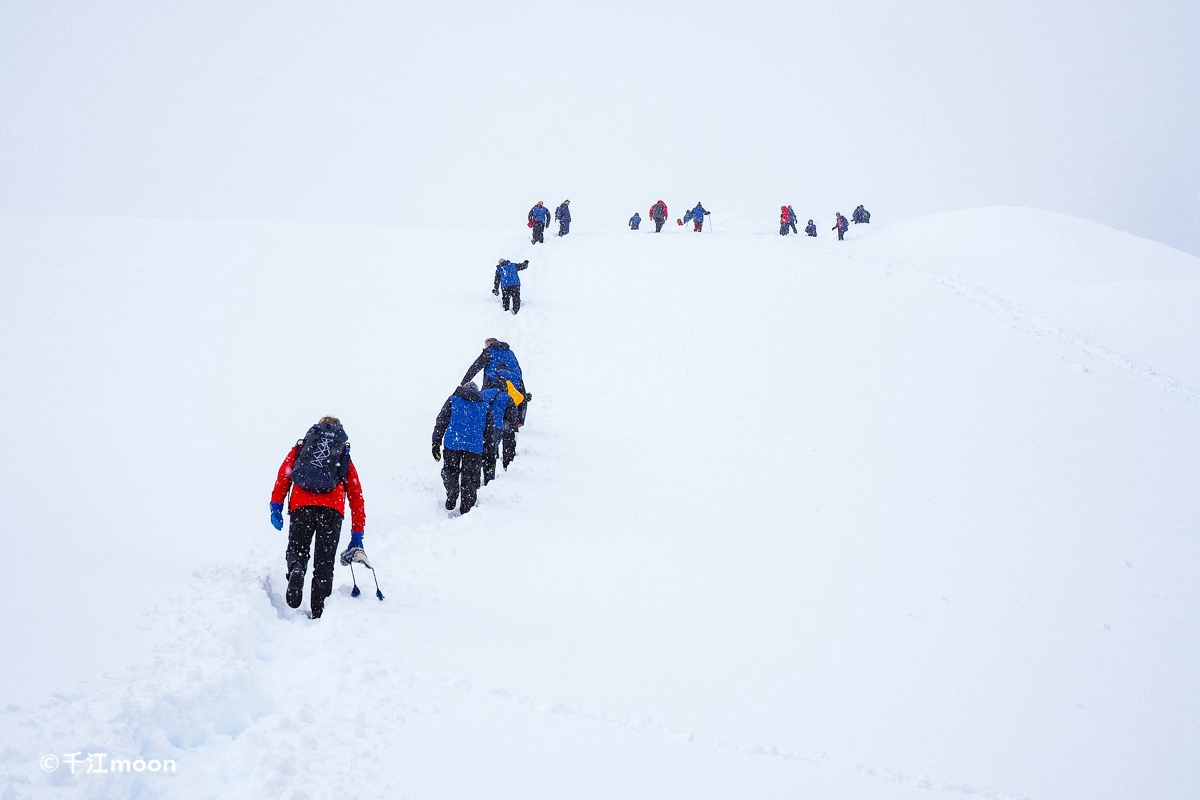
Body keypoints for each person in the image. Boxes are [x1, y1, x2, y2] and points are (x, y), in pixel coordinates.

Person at [270, 416, 366, 618]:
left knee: (298, 548)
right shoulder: (342, 453)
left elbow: (284, 476)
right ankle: (319, 612)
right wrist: (357, 534)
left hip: (301, 505)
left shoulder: (302, 448)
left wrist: (276, 506)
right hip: (331, 510)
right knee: (324, 562)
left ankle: (296, 568)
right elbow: (356, 495)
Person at [432, 382, 496, 514]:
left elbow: (441, 421)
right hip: (474, 447)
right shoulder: (484, 406)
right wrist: (490, 456)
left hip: (453, 443)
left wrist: (435, 442)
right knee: (471, 478)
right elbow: (489, 433)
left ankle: (452, 491)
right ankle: (467, 510)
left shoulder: (453, 400)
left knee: (450, 470)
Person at [462, 338, 530, 427]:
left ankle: (490, 422)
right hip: (514, 380)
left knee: (491, 399)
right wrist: (521, 419)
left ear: (489, 344)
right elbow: (518, 369)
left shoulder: (489, 352)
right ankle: (513, 422)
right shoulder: (510, 352)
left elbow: (475, 367)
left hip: (494, 380)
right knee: (514, 398)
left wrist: (464, 382)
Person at [479, 372, 523, 483]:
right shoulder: (506, 397)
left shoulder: (482, 394)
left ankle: (475, 477)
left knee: (481, 451)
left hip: (483, 427)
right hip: (497, 427)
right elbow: (511, 417)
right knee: (491, 452)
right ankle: (489, 480)